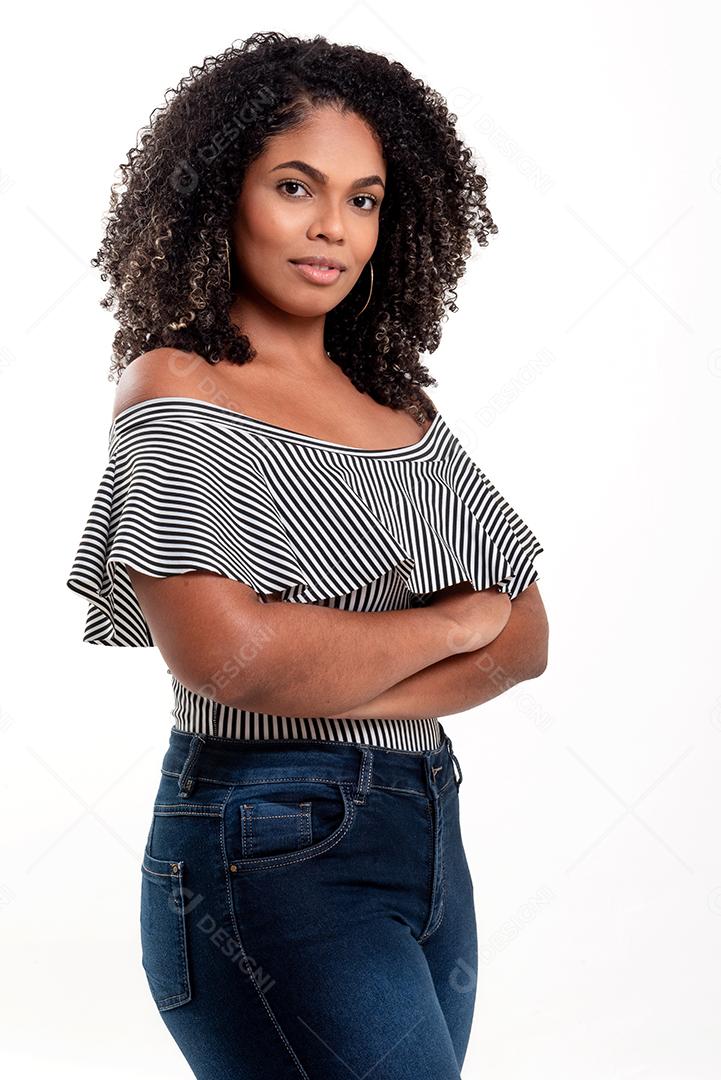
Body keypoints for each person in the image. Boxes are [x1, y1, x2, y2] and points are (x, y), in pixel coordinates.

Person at [66, 32, 548, 1080]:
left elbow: (529, 638)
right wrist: (451, 623)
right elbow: (229, 660)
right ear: (219, 196)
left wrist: (348, 671)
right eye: (296, 186)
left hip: (423, 830)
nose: (333, 226)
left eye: (365, 198)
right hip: (264, 844)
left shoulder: (400, 412)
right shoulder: (177, 391)